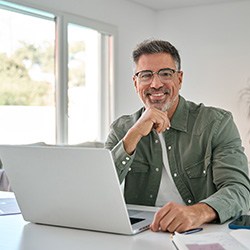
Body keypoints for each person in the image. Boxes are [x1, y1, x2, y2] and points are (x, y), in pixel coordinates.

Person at [105, 39, 250, 233]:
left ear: (179, 79)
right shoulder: (122, 129)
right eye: (146, 75)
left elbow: (239, 189)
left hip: (202, 232)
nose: (156, 84)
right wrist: (135, 133)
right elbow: (98, 191)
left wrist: (196, 212)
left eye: (165, 74)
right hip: (142, 236)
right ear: (135, 82)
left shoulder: (217, 123)